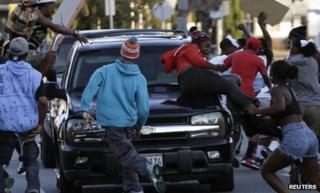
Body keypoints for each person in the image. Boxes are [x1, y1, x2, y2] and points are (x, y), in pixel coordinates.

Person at [80, 37, 166, 193]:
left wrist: (84, 108)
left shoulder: (104, 71)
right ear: (137, 56)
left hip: (112, 123)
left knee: (125, 155)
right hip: (130, 123)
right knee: (127, 154)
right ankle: (133, 188)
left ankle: (148, 168)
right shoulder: (140, 79)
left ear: (121, 53)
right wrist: (139, 126)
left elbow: (90, 88)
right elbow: (143, 109)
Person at [249, 60, 320, 193]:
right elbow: (283, 117)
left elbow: (279, 107)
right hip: (308, 135)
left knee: (267, 171)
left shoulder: (276, 89)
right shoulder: (290, 90)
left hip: (295, 137)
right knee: (315, 181)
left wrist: (257, 111)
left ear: (273, 75)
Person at [161, 29, 257, 113]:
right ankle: (250, 105)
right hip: (192, 75)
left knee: (227, 84)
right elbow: (200, 63)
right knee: (229, 86)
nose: (208, 49)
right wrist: (216, 67)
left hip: (187, 82)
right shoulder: (191, 48)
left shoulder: (187, 52)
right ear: (197, 43)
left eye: (209, 47)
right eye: (206, 46)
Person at [0, 37, 47, 193]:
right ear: (27, 54)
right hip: (27, 128)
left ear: (8, 52)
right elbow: (43, 102)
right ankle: (33, 188)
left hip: (3, 127)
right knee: (31, 160)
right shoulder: (35, 75)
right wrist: (40, 124)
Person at [4, 0, 87, 81]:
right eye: (53, 6)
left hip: (14, 54)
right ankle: (36, 82)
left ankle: (50, 85)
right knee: (52, 56)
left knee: (49, 63)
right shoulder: (37, 14)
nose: (53, 10)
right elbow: (55, 27)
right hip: (25, 55)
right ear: (47, 5)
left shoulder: (34, 14)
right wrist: (75, 34)